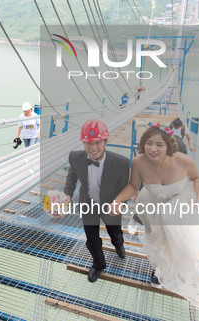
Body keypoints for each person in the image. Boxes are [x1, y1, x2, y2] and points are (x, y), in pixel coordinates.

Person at [111, 123, 199, 307]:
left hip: (179, 203)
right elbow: (134, 185)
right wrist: (118, 200)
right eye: (149, 144)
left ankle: (183, 268)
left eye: (160, 146)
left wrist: (193, 203)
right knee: (155, 237)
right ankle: (158, 270)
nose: (153, 150)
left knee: (181, 238)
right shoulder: (140, 162)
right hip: (154, 202)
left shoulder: (184, 163)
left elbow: (195, 178)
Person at [63, 119, 130, 283]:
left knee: (115, 233)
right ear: (83, 143)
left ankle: (119, 244)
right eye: (88, 143)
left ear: (106, 141)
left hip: (110, 205)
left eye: (98, 142)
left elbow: (127, 187)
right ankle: (98, 264)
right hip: (88, 204)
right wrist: (68, 194)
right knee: (92, 240)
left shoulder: (121, 163)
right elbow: (72, 176)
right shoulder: (75, 157)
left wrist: (120, 203)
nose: (93, 148)